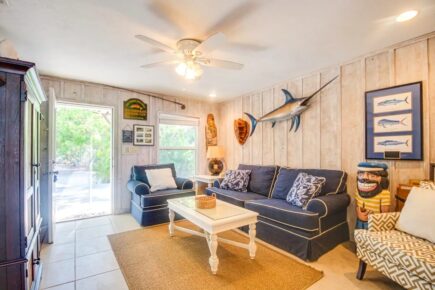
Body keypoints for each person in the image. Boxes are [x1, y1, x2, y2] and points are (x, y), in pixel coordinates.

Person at [355, 162, 391, 229]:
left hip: (375, 225)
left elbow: (385, 214)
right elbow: (357, 205)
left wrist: (373, 218)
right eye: (361, 174)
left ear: (382, 179)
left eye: (372, 176)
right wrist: (359, 213)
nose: (364, 178)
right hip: (359, 222)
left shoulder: (384, 193)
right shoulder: (357, 190)